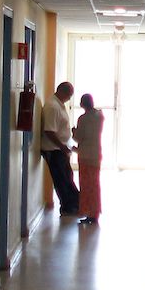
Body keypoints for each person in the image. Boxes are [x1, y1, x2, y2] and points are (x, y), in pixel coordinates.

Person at [39, 81, 81, 216]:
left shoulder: (59, 105)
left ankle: (75, 204)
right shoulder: (52, 106)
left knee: (67, 176)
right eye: (69, 95)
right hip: (54, 150)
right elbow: (49, 131)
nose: (70, 98)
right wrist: (62, 147)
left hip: (59, 149)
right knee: (62, 179)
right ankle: (69, 206)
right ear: (61, 91)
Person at [73, 93, 104, 225]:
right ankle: (95, 212)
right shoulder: (99, 116)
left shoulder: (83, 119)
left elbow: (79, 138)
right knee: (95, 184)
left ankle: (90, 212)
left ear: (82, 104)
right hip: (96, 154)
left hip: (85, 156)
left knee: (86, 185)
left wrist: (73, 131)